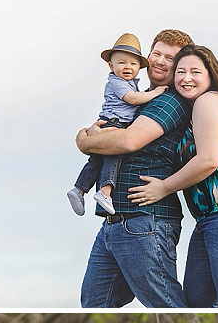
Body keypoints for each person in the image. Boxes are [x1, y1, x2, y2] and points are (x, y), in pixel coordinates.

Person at [128, 44, 218, 308]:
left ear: (211, 75)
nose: (186, 78)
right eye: (181, 72)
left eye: (195, 72)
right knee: (198, 303)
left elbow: (208, 161)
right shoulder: (192, 110)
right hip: (213, 218)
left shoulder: (209, 102)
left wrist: (163, 188)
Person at [74, 29, 194, 309]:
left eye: (170, 58)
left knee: (166, 306)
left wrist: (84, 142)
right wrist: (87, 134)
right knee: (95, 304)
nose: (161, 62)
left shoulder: (169, 101)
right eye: (157, 54)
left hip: (145, 220)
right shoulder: (141, 96)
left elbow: (128, 141)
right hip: (115, 222)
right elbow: (112, 129)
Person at [67, 35, 161, 218]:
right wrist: (156, 93)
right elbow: (133, 99)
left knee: (96, 160)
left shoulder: (129, 83)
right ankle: (105, 191)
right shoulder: (117, 82)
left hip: (110, 121)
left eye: (133, 64)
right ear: (111, 66)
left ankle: (79, 190)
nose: (128, 67)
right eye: (122, 63)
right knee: (113, 155)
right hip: (114, 123)